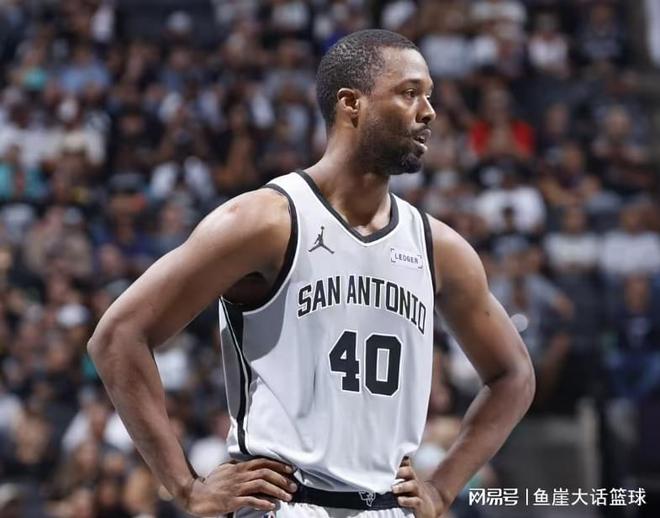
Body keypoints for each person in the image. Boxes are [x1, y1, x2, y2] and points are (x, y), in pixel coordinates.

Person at [88, 30, 535, 518]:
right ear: (351, 104)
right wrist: (185, 487)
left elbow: (513, 375)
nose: (428, 111)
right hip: (285, 503)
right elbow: (118, 336)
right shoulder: (264, 222)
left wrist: (443, 487)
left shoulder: (438, 247)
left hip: (387, 506)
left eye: (429, 96)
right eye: (409, 93)